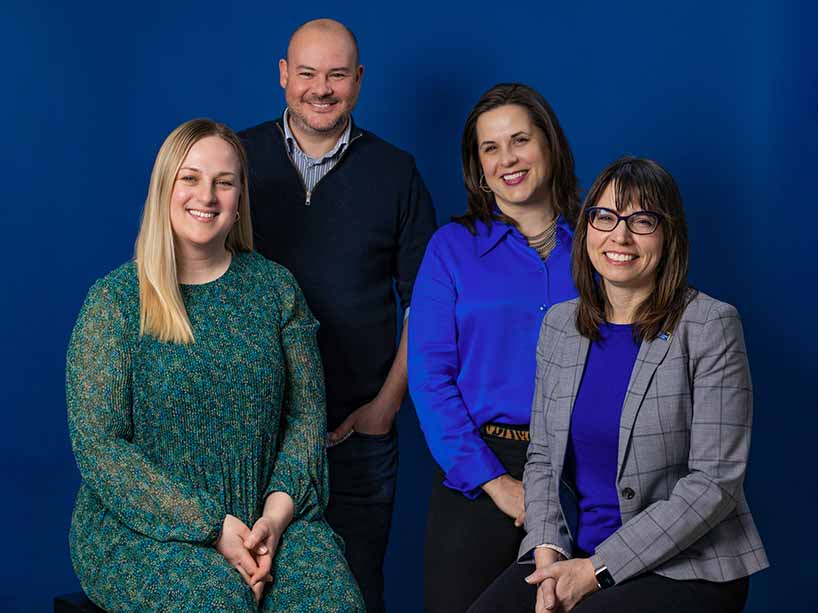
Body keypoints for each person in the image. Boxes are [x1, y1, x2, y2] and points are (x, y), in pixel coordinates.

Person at [66, 118, 364, 612]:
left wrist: (274, 515)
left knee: (332, 602)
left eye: (224, 182)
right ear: (165, 186)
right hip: (138, 526)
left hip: (268, 516)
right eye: (191, 177)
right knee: (217, 601)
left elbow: (306, 419)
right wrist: (211, 525)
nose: (207, 195)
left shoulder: (275, 290)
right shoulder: (115, 301)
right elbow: (99, 446)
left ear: (239, 196)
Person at [469, 157, 769, 613]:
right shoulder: (560, 325)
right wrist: (546, 552)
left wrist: (595, 571)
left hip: (685, 565)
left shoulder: (709, 325)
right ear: (588, 226)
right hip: (577, 555)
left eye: (642, 220)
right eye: (605, 217)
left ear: (669, 236)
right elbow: (543, 459)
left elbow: (714, 483)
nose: (620, 236)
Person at [238, 19, 437, 612]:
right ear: (282, 76)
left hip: (356, 435)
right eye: (306, 73)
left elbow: (427, 304)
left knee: (354, 592)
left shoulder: (396, 172)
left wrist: (385, 407)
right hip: (254, 434)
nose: (320, 89)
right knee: (248, 590)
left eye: (336, 74)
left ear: (358, 79)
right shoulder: (236, 159)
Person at [408, 83, 580, 612]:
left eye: (520, 140)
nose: (508, 159)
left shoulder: (600, 243)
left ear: (548, 144)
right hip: (479, 467)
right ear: (476, 164)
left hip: (582, 468)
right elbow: (430, 380)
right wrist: (497, 483)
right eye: (490, 147)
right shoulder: (450, 249)